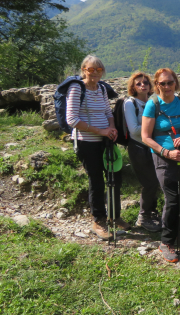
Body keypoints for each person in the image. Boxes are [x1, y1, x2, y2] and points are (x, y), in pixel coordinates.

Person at [141, 68, 180, 263]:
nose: (167, 87)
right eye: (162, 83)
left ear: (176, 83)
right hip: (164, 159)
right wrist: (167, 152)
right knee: (172, 199)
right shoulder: (153, 105)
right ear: (157, 85)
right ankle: (166, 242)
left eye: (170, 82)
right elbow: (145, 137)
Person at [66, 55, 126, 240]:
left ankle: (114, 216)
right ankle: (98, 220)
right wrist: (100, 131)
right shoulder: (77, 88)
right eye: (90, 69)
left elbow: (108, 111)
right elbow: (72, 120)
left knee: (114, 176)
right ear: (83, 69)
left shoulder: (101, 88)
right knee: (97, 180)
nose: (94, 73)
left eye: (98, 70)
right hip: (87, 142)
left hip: (105, 139)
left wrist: (112, 128)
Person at [124, 71, 161, 232]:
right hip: (138, 147)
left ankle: (152, 213)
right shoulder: (130, 104)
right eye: (138, 83)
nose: (143, 85)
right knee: (149, 182)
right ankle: (143, 216)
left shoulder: (153, 102)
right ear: (133, 86)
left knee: (157, 181)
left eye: (145, 82)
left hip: (152, 147)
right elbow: (134, 130)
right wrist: (154, 128)